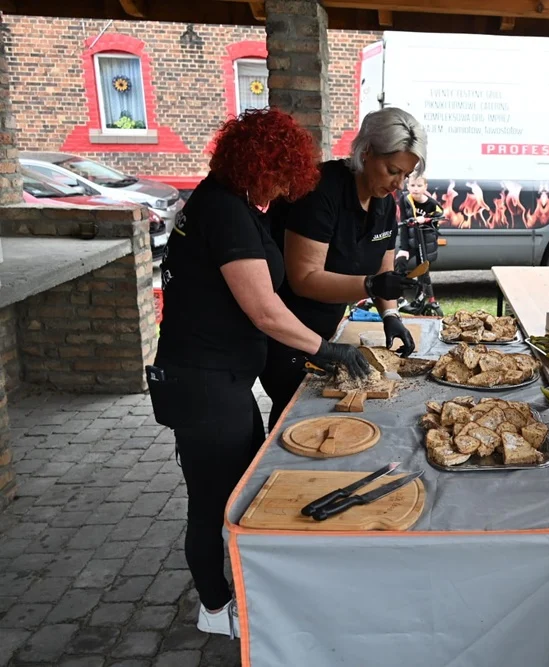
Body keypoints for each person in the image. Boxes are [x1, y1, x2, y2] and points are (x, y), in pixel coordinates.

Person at [148, 109, 370, 638]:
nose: (283, 187)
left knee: (238, 488)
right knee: (210, 501)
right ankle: (215, 606)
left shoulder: (234, 203)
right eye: (279, 174)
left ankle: (243, 592)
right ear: (257, 165)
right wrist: (327, 351)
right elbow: (264, 309)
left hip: (221, 377)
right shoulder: (223, 211)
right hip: (201, 380)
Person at [261, 107, 427, 429]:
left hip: (328, 330)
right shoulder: (321, 192)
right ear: (366, 153)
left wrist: (390, 315)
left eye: (405, 176)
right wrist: (370, 286)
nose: (398, 184)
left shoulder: (384, 203)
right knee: (295, 420)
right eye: (393, 170)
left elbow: (384, 265)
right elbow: (304, 279)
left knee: (329, 417)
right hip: (287, 334)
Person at [398, 173, 444, 315]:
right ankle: (399, 298)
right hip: (411, 242)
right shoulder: (405, 199)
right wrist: (403, 248)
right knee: (399, 263)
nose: (415, 189)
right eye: (412, 185)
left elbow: (439, 215)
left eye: (419, 186)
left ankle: (420, 301)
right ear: (407, 186)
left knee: (423, 273)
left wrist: (425, 219)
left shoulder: (431, 204)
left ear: (425, 187)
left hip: (425, 244)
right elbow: (405, 224)